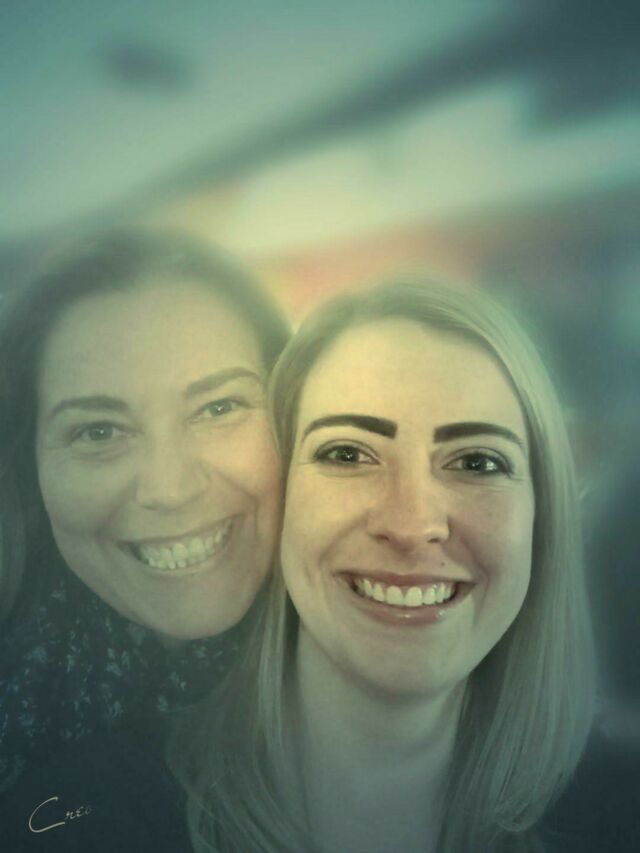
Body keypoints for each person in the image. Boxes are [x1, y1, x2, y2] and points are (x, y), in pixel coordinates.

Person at [172, 279, 597, 853]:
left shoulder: (618, 811)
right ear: (280, 494)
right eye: (347, 453)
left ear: (543, 516)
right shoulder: (97, 810)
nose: (411, 523)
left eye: (477, 462)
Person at [0, 229, 290, 800]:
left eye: (218, 407)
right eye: (98, 431)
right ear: (30, 468)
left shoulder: (393, 655)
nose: (169, 490)